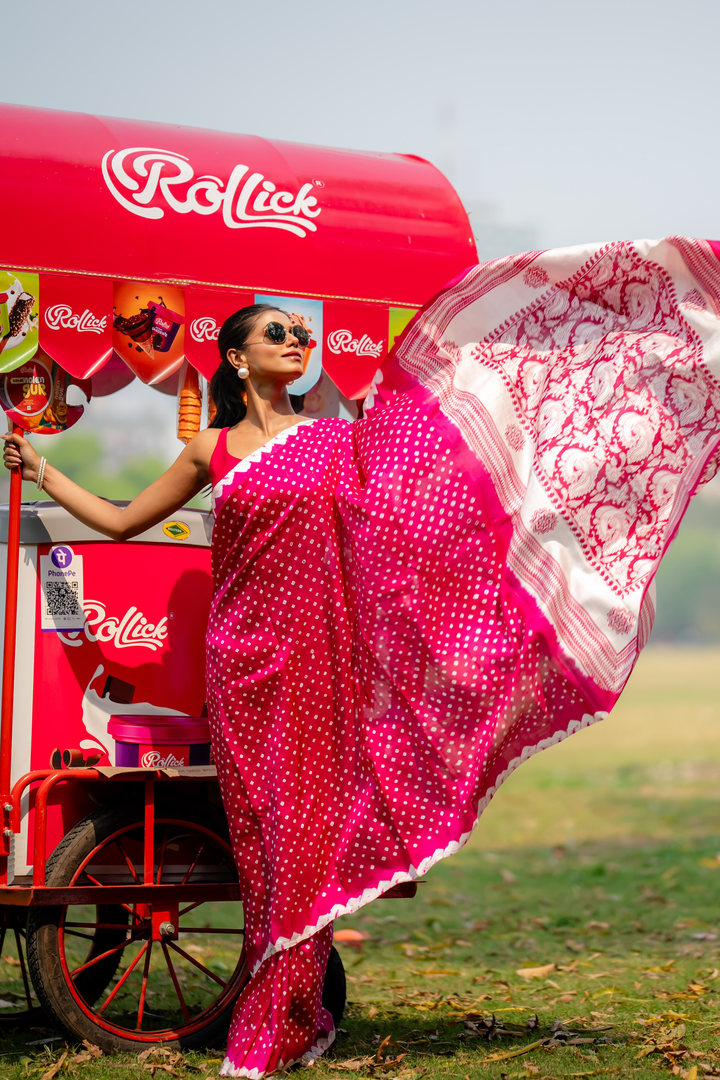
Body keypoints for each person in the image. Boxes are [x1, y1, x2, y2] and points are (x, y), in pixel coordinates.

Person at [5, 237, 720, 1077]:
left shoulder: (343, 441)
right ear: (237, 358)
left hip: (324, 663)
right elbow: (124, 521)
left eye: (301, 335)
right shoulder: (214, 450)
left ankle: (281, 1021)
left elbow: (422, 502)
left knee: (306, 841)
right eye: (277, 335)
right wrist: (44, 475)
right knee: (266, 837)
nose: (297, 344)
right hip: (241, 663)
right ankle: (291, 1005)